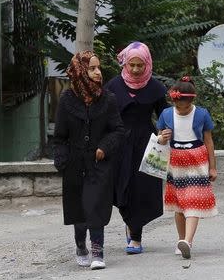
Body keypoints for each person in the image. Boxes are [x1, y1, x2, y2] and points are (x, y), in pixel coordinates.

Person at [53, 51, 124, 270]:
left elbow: (119, 131)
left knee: (95, 206)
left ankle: (97, 251)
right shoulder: (66, 100)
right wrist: (62, 160)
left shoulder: (108, 99)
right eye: (92, 68)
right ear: (80, 71)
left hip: (98, 163)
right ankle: (80, 245)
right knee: (78, 210)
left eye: (98, 67)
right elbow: (59, 137)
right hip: (74, 163)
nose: (97, 72)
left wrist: (104, 147)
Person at [106, 41, 169, 254]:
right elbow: (104, 117)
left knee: (141, 190)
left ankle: (135, 236)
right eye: (131, 65)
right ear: (124, 63)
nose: (135, 69)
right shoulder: (113, 86)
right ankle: (129, 222)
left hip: (147, 144)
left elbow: (165, 118)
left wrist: (165, 133)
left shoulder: (156, 88)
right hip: (119, 143)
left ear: (147, 64)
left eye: (139, 65)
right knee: (120, 186)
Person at [156, 76, 218, 259]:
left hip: (197, 160)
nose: (181, 110)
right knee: (179, 205)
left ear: (192, 100)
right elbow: (158, 137)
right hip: (175, 161)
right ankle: (181, 239)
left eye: (184, 107)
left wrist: (212, 167)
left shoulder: (202, 114)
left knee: (193, 200)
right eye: (178, 106)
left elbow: (208, 141)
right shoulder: (166, 114)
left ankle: (188, 241)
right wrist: (162, 137)